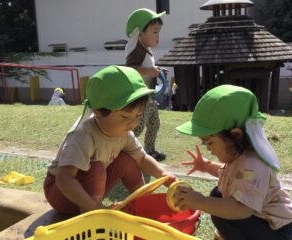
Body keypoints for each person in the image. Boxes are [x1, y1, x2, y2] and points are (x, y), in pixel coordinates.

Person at [43, 65, 175, 215]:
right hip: (62, 194)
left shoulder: (124, 133)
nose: (133, 123)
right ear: (98, 111)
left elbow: (142, 159)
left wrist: (168, 178)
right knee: (97, 167)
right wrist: (95, 207)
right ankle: (94, 213)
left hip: (88, 189)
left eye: (138, 115)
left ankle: (141, 201)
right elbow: (64, 179)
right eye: (125, 116)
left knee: (127, 159)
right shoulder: (83, 135)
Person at [173, 85, 292, 240]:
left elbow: (242, 209)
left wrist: (200, 201)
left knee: (220, 205)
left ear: (235, 135)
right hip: (261, 221)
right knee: (218, 194)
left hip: (277, 231)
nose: (208, 148)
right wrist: (206, 166)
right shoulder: (241, 155)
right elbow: (232, 176)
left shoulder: (254, 165)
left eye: (209, 142)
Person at [125, 8, 166, 161]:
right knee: (137, 127)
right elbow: (130, 69)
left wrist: (157, 71)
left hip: (149, 96)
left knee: (154, 123)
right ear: (140, 33)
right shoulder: (137, 50)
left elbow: (148, 69)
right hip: (140, 99)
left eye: (159, 32)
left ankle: (149, 150)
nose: (158, 36)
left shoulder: (146, 50)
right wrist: (149, 71)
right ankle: (125, 150)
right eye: (155, 32)